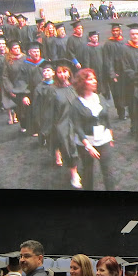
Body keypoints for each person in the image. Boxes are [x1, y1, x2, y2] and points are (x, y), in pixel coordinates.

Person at [71, 68, 115, 191]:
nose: (95, 81)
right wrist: (88, 146)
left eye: (94, 78)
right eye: (90, 79)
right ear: (82, 82)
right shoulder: (76, 104)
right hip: (86, 142)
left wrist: (110, 136)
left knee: (108, 171)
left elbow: (107, 118)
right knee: (88, 171)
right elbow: (77, 127)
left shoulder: (100, 97)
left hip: (103, 139)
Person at [52, 59, 82, 189]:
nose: (62, 74)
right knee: (69, 149)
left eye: (65, 71)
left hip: (79, 122)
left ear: (69, 73)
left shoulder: (76, 87)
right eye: (59, 72)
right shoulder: (53, 90)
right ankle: (74, 174)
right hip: (63, 124)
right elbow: (50, 112)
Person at [114, 22, 138, 130]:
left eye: (137, 34)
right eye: (132, 34)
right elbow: (124, 66)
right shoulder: (125, 49)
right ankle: (134, 126)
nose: (135, 36)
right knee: (133, 106)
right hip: (132, 83)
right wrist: (136, 77)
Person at [103, 23, 127, 119]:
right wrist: (112, 74)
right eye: (114, 31)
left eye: (117, 30)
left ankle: (127, 110)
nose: (115, 32)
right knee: (117, 94)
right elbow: (107, 60)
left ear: (120, 31)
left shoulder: (125, 42)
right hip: (115, 73)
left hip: (124, 72)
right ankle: (121, 113)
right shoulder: (108, 44)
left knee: (126, 92)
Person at [1, 40, 26, 127]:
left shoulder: (25, 58)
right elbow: (5, 76)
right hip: (14, 85)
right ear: (11, 50)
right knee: (18, 107)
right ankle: (21, 122)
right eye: (15, 48)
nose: (17, 50)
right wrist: (10, 89)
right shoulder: (8, 60)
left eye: (18, 48)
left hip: (25, 86)